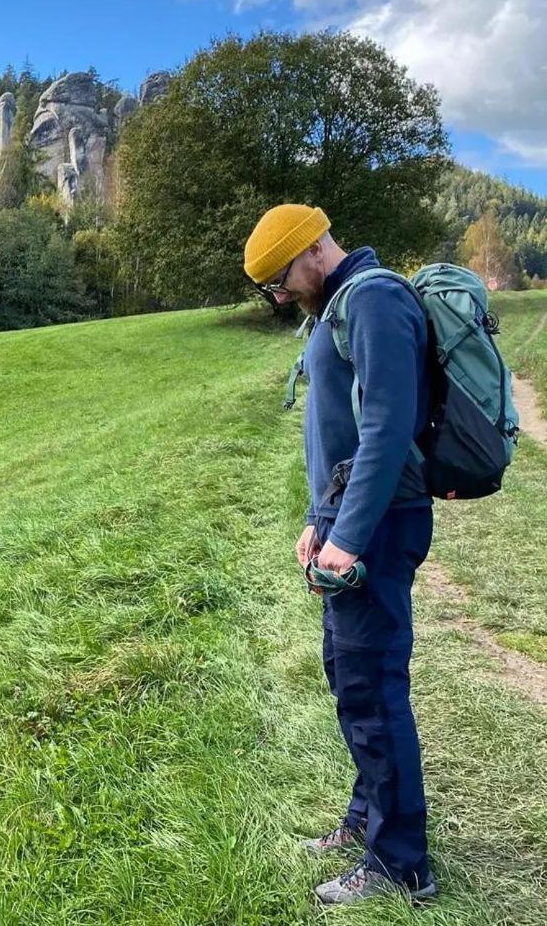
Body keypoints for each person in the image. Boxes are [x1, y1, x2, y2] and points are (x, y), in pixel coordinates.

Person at [243, 204, 438, 905]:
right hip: (348, 521)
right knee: (350, 681)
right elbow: (338, 435)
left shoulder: (376, 297)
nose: (277, 295)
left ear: (313, 250)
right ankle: (367, 820)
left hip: (379, 527)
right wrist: (314, 520)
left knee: (374, 689)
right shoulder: (335, 308)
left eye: (280, 279)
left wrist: (348, 536)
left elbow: (387, 428)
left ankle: (401, 863)